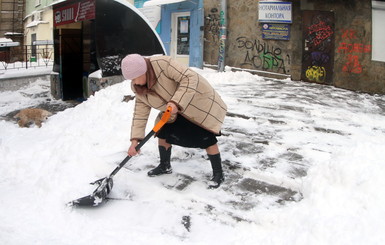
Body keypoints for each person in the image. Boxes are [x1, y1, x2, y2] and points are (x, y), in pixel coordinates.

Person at [121, 54, 227, 188]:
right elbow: (140, 112)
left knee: (206, 137)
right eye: (131, 80)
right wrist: (135, 140)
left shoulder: (162, 64)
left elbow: (190, 77)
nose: (134, 82)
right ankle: (165, 165)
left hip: (196, 103)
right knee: (163, 132)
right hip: (171, 111)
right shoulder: (138, 87)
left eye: (135, 78)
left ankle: (218, 173)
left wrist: (176, 102)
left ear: (144, 71)